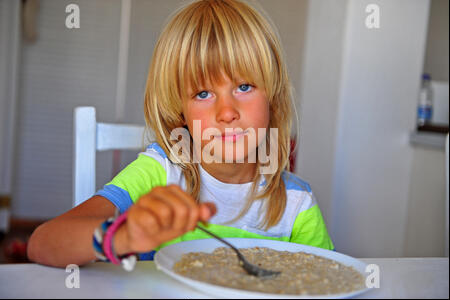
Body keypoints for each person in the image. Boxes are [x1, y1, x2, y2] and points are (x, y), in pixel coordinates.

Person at [27, 0, 334, 270]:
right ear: (181, 114)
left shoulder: (296, 204)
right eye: (203, 93)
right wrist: (123, 235)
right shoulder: (160, 173)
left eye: (244, 87)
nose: (227, 112)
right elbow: (43, 243)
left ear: (272, 99)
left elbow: (325, 281)